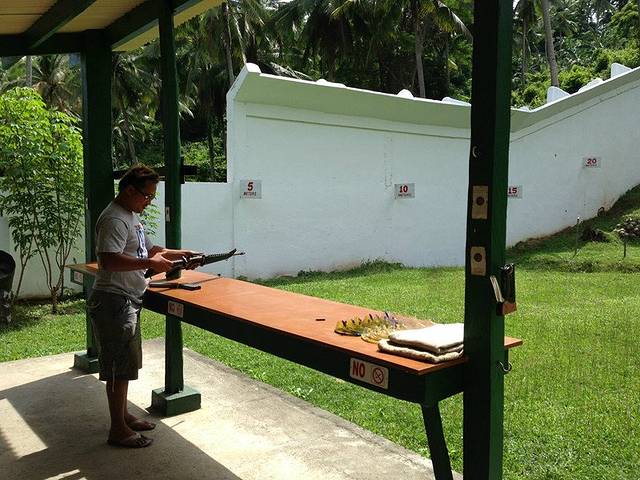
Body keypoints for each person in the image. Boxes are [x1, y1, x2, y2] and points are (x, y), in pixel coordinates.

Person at [88, 164, 195, 448]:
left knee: (124, 364)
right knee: (117, 368)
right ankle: (118, 430)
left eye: (151, 197)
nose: (148, 202)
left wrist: (181, 253)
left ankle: (123, 416)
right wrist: (150, 264)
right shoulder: (114, 218)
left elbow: (151, 250)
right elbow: (108, 260)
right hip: (114, 300)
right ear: (129, 190)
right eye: (146, 196)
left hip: (126, 299)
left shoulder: (130, 215)